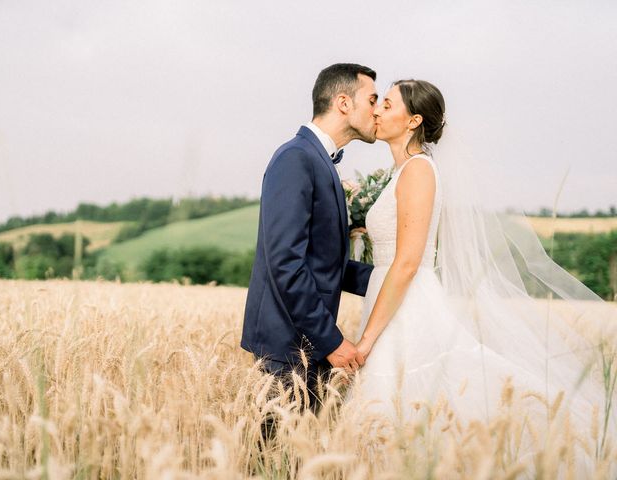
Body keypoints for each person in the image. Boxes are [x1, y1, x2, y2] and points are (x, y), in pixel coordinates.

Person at [349, 79, 616, 468]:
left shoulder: (419, 171)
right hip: (388, 297)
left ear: (413, 120)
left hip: (407, 305)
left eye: (386, 105)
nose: (376, 110)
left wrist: (367, 340)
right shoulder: (401, 172)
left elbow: (407, 262)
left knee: (408, 403)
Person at [241, 63, 377, 420]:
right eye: (373, 99)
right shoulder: (296, 158)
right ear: (344, 103)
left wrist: (388, 277)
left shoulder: (319, 160)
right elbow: (286, 262)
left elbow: (324, 261)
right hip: (287, 346)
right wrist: (330, 341)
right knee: (271, 463)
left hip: (305, 344)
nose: (377, 110)